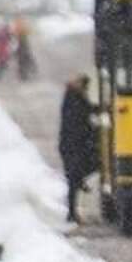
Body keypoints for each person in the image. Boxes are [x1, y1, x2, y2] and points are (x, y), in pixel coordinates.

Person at [58, 74, 98, 224]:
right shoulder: (74, 98)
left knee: (74, 179)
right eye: (85, 87)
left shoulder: (73, 97)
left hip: (74, 145)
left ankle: (72, 210)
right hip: (72, 146)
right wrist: (93, 131)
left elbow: (87, 111)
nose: (86, 90)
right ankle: (71, 213)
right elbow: (81, 119)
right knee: (73, 179)